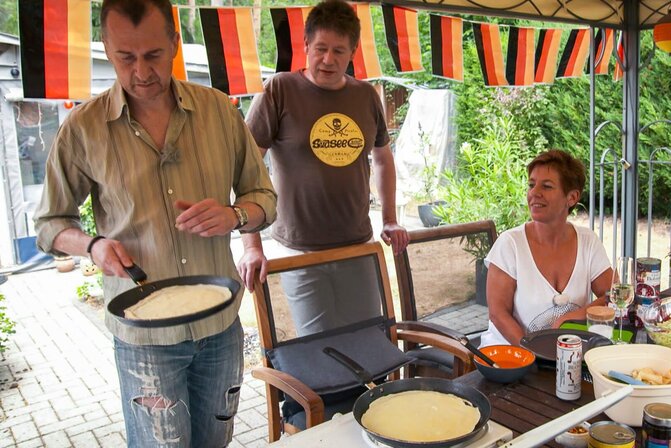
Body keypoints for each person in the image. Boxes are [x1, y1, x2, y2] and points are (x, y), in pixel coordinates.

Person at [33, 0, 277, 446]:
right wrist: (92, 247)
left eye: (153, 56)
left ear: (174, 43)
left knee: (215, 442)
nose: (141, 72)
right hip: (144, 337)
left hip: (219, 326)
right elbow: (50, 224)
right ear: (107, 49)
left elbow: (264, 198)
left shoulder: (220, 111)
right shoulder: (83, 128)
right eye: (125, 57)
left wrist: (235, 215)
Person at [240, 0, 408, 335]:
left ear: (353, 53)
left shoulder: (365, 96)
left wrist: (389, 218)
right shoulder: (279, 90)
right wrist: (251, 247)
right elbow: (244, 167)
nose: (328, 60)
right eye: (320, 49)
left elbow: (383, 158)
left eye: (338, 51)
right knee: (318, 350)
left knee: (368, 340)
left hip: (358, 245)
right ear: (305, 46)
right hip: (299, 249)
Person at [479, 150, 613, 347]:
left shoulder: (588, 242)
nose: (534, 193)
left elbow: (614, 297)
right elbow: (498, 315)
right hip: (511, 357)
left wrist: (574, 316)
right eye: (531, 185)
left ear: (572, 197)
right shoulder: (510, 244)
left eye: (547, 186)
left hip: (568, 355)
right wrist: (535, 353)